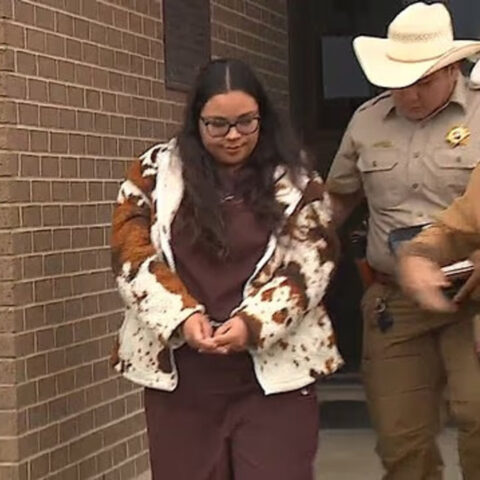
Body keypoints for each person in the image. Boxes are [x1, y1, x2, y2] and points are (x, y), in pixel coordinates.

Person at [110, 58, 342, 480]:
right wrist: (181, 316)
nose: (233, 136)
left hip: (275, 374)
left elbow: (311, 263)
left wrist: (254, 323)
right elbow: (132, 255)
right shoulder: (153, 172)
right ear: (196, 121)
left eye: (246, 122)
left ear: (262, 118)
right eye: (217, 125)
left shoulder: (298, 180)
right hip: (183, 379)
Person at [326, 3, 480, 479]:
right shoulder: (367, 121)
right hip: (395, 299)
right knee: (400, 440)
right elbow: (338, 199)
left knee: (478, 418)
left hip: (473, 296)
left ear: (452, 68)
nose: (410, 95)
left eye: (423, 82)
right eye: (399, 82)